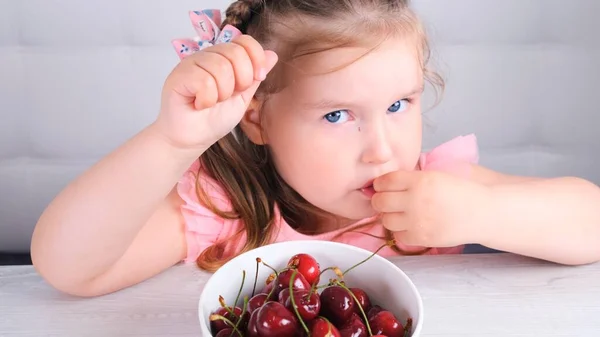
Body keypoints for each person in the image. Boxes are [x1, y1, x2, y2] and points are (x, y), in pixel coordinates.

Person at [30, 0, 600, 297]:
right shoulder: (228, 210)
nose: (382, 150)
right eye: (336, 115)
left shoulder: (435, 189)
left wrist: (482, 212)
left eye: (400, 105)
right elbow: (68, 269)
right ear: (257, 120)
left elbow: (590, 225)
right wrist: (171, 140)